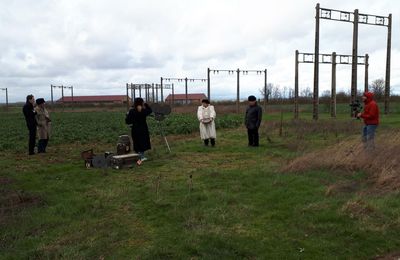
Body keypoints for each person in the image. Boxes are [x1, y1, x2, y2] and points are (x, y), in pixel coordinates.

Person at [125, 98, 152, 165]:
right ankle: (142, 157)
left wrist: (127, 115)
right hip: (143, 128)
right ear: (141, 103)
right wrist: (146, 104)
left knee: (136, 142)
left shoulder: (132, 111)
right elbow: (150, 110)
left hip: (135, 129)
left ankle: (138, 157)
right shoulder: (143, 110)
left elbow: (127, 121)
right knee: (143, 142)